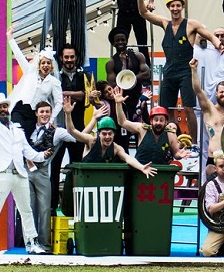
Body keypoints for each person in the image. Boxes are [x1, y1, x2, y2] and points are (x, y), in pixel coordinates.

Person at [0, 83, 50, 260]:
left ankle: (32, 243)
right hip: (1, 173)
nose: (3, 110)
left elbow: (27, 151)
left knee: (26, 210)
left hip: (19, 174)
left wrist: (42, 155)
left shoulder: (16, 128)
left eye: (5, 106)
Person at [137, 0, 224, 136]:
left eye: (178, 5)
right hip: (169, 71)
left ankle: (194, 143)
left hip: (186, 72)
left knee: (189, 108)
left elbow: (210, 36)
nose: (175, 9)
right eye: (172, 6)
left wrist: (218, 44)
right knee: (165, 109)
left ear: (182, 7)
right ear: (169, 7)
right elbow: (144, 13)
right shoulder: (165, 23)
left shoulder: (191, 24)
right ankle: (173, 139)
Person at [26, 101, 79, 252]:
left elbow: (76, 135)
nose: (44, 114)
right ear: (36, 113)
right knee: (28, 208)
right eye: (41, 111)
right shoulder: (27, 128)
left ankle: (45, 245)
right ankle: (30, 243)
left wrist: (70, 115)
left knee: (44, 209)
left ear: (51, 114)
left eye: (47, 112)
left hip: (43, 172)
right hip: (25, 171)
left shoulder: (57, 131)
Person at [61, 101, 157, 175]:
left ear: (114, 134)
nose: (107, 137)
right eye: (104, 134)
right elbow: (72, 131)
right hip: (86, 180)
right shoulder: (91, 141)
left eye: (110, 134)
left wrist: (141, 167)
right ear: (99, 134)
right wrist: (68, 114)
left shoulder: (116, 148)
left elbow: (128, 158)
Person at [49, 43, 88, 214]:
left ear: (76, 58)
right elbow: (78, 95)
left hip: (78, 130)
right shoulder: (55, 77)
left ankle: (76, 206)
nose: (69, 60)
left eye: (72, 57)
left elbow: (86, 96)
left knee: (77, 167)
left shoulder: (84, 75)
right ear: (61, 59)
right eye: (66, 57)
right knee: (54, 168)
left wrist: (66, 93)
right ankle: (51, 207)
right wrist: (76, 94)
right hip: (57, 129)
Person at [6, 29, 62, 139]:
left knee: (26, 139)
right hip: (20, 109)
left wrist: (50, 118)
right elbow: (19, 56)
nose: (45, 65)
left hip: (34, 115)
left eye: (48, 63)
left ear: (51, 66)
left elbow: (59, 102)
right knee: (17, 134)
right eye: (43, 63)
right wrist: (10, 39)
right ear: (39, 64)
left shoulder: (54, 82)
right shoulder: (30, 72)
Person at [189, 57, 224, 177]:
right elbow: (198, 90)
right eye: (221, 92)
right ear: (216, 94)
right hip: (213, 159)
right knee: (212, 194)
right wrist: (193, 70)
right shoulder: (210, 110)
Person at [116, 98, 189, 166]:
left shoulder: (170, 134)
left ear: (166, 122)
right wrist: (118, 104)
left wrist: (180, 154)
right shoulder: (142, 129)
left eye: (161, 120)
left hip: (160, 173)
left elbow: (176, 153)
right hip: (139, 171)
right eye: (156, 120)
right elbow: (122, 122)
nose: (158, 123)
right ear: (151, 121)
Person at [103, 27, 152, 123]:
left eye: (123, 40)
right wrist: (124, 73)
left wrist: (130, 79)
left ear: (126, 41)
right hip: (122, 102)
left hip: (138, 99)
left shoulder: (138, 56)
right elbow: (112, 84)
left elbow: (147, 74)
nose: (120, 42)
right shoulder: (111, 63)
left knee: (143, 127)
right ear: (113, 44)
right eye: (117, 40)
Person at [193, 28, 224, 108]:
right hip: (201, 100)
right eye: (217, 36)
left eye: (222, 36)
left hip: (220, 102)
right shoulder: (203, 52)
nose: (219, 38)